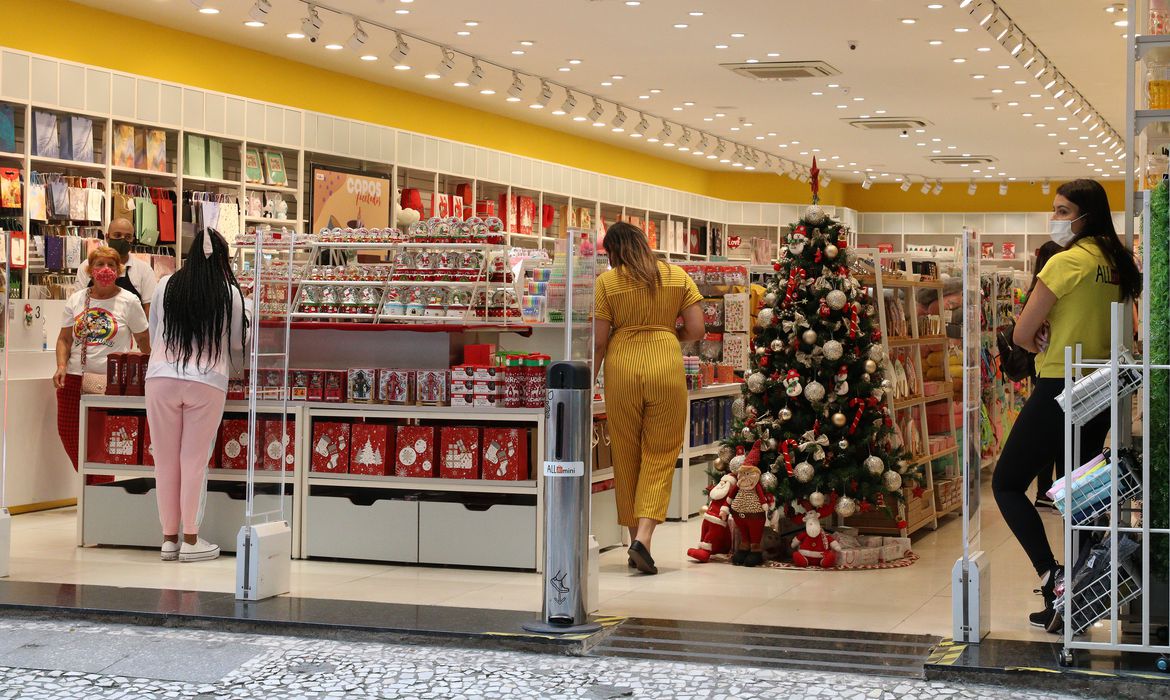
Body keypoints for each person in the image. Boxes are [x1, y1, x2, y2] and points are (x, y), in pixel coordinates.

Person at [995, 179, 1142, 631]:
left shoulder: (1067, 262)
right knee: (1078, 495)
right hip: (1103, 388)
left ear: (1084, 214)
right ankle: (1074, 600)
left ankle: (1051, 575)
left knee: (1006, 483)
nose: (1055, 218)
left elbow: (1022, 333)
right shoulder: (1119, 265)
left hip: (1060, 383)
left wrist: (1034, 336)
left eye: (1062, 211)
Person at [593, 222, 705, 575]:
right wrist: (668, 332)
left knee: (626, 452)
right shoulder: (676, 276)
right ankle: (644, 537)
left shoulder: (607, 283)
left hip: (622, 366)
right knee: (660, 452)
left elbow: (598, 340)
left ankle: (633, 543)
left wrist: (586, 381)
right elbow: (698, 329)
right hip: (665, 363)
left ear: (612, 251)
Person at [145, 229, 249, 563]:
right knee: (194, 461)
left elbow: (153, 332)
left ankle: (168, 539)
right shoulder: (229, 293)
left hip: (161, 376)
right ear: (223, 257)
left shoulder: (165, 285)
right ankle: (191, 538)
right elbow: (236, 345)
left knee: (164, 459)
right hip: (207, 380)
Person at [54, 247, 151, 471]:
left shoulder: (129, 301)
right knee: (69, 434)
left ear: (119, 270)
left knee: (104, 443)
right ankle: (87, 484)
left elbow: (143, 339)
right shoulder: (77, 300)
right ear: (90, 270)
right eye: (99, 264)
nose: (105, 269)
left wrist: (148, 371)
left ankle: (99, 490)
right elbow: (64, 340)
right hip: (74, 379)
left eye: (111, 265)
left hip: (112, 383)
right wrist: (60, 366)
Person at [1021, 241, 1064, 509]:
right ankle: (1050, 491)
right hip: (1051, 366)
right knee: (1057, 435)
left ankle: (1045, 491)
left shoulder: (1032, 291)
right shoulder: (1048, 289)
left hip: (1041, 367)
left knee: (1051, 433)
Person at [74, 218, 158, 313]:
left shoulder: (144, 270)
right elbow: (77, 303)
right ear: (107, 237)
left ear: (132, 240)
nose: (122, 240)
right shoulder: (87, 265)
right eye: (117, 235)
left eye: (127, 237)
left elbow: (150, 309)